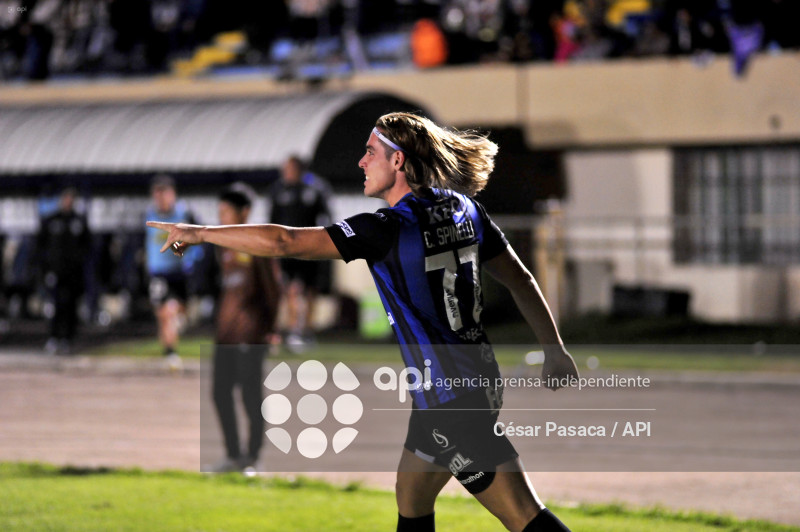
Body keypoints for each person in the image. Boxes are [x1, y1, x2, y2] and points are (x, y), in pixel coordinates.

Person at [148, 112, 579, 532]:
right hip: (473, 383)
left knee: (523, 515)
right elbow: (522, 280)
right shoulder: (465, 209)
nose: (361, 161)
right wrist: (554, 349)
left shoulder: (386, 227)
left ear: (398, 161)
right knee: (411, 497)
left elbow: (286, 242)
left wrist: (201, 232)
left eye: (370, 152)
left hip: (451, 400)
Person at [211, 183, 282, 472]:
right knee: (219, 393)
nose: (221, 217)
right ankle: (233, 455)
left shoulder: (257, 244)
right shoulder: (222, 245)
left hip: (251, 334)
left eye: (226, 211)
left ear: (245, 212)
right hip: (225, 335)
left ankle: (253, 458)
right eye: (219, 212)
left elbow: (273, 290)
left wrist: (270, 328)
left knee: (250, 394)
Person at [268, 155, 331, 348]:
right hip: (287, 250)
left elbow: (326, 217)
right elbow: (271, 220)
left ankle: (307, 331)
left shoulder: (316, 188)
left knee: (310, 292)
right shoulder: (278, 190)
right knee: (291, 290)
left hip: (311, 249)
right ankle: (294, 330)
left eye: (290, 169)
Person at [144, 174, 198, 370]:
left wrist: (180, 247)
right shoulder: (149, 215)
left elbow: (197, 242)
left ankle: (169, 344)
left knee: (179, 312)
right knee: (165, 313)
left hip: (181, 272)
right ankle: (170, 353)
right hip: (159, 273)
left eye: (164, 194)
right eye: (157, 195)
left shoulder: (184, 214)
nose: (161, 199)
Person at [37, 187, 91, 355]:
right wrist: (45, 269)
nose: (68, 201)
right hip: (55, 272)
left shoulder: (79, 221)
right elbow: (41, 247)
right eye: (65, 197)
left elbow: (87, 248)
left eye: (71, 198)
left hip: (73, 274)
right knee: (55, 306)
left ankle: (68, 339)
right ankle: (53, 337)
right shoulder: (51, 221)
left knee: (71, 306)